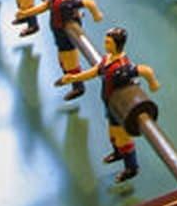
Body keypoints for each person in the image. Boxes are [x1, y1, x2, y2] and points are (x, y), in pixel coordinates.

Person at [59, 26, 161, 184]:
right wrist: (74, 78)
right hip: (110, 103)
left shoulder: (122, 67)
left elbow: (145, 70)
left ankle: (131, 167)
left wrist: (153, 84)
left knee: (122, 138)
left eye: (108, 42)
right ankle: (119, 153)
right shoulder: (107, 59)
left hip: (120, 106)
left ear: (117, 44)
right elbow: (95, 71)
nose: (105, 44)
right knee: (113, 135)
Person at [45, 0, 106, 98]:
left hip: (65, 33)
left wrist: (97, 15)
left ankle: (78, 86)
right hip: (59, 31)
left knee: (69, 61)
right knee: (63, 60)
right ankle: (69, 77)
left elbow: (88, 2)